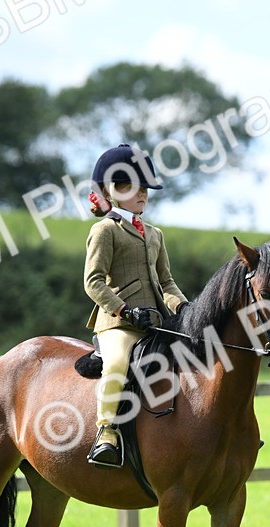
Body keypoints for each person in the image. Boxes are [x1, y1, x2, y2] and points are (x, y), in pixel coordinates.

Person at [83, 144, 189, 468]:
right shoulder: (104, 230)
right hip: (119, 324)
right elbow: (93, 281)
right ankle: (107, 432)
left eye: (145, 187)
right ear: (112, 191)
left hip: (156, 320)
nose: (142, 193)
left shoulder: (155, 234)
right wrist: (125, 310)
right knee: (117, 364)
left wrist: (184, 308)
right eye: (132, 186)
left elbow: (166, 282)